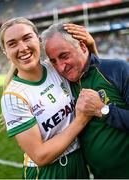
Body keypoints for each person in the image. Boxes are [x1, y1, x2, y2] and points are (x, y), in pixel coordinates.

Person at [0, 17, 103, 179]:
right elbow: (40, 156)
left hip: (79, 161)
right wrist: (81, 120)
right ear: (5, 52)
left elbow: (94, 79)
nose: (23, 47)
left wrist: (91, 47)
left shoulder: (57, 67)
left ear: (38, 40)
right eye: (12, 44)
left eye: (27, 38)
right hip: (48, 172)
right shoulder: (13, 96)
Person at [41, 22, 129, 179]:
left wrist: (103, 110)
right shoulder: (64, 85)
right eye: (53, 61)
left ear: (82, 47)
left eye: (64, 56)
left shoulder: (118, 69)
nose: (61, 67)